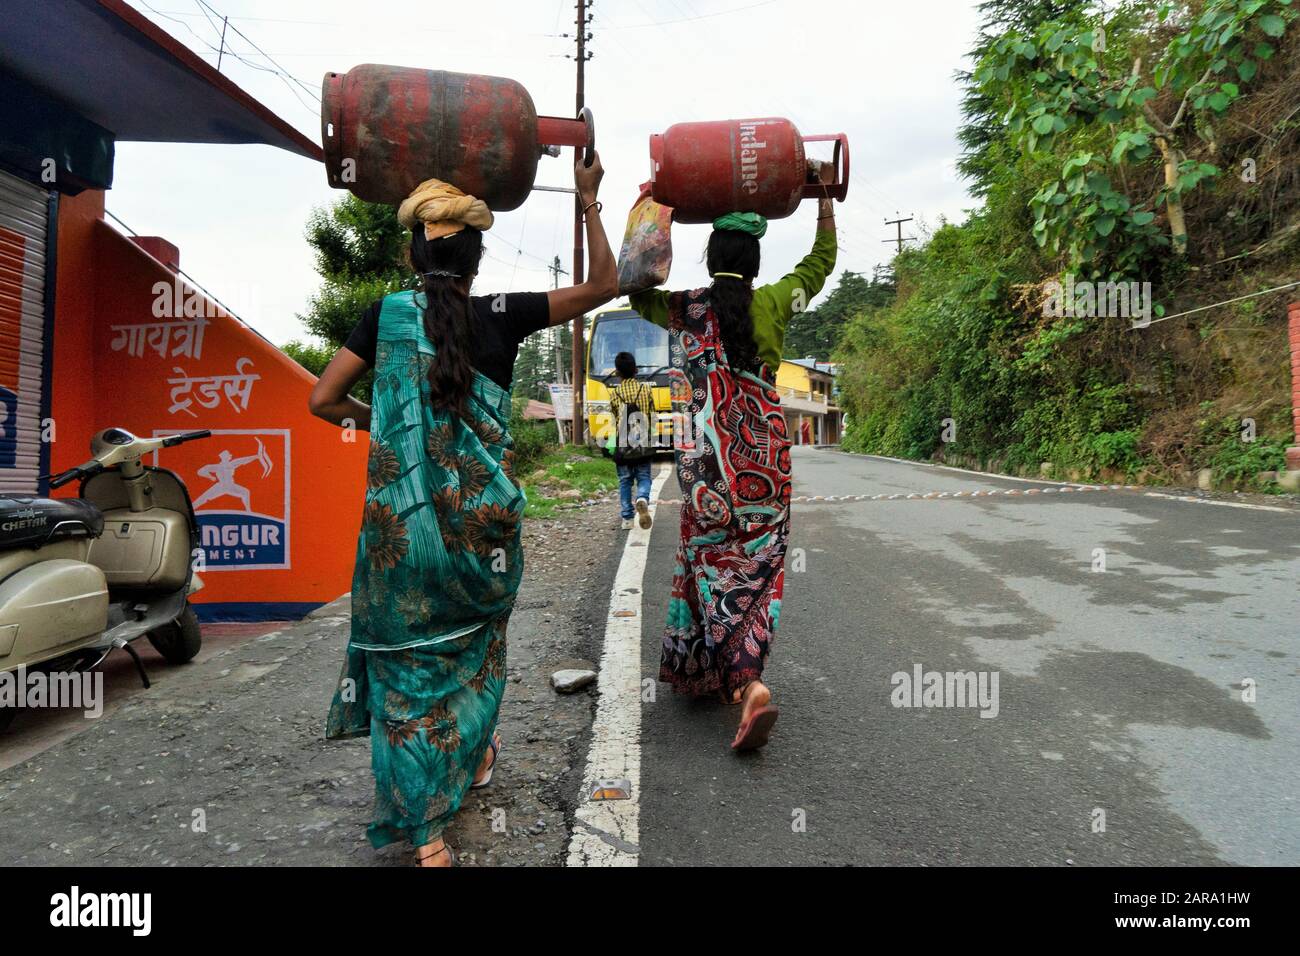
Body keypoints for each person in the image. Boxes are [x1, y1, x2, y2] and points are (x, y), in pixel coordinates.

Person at [308, 152, 618, 866]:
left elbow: (322, 401)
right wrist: (588, 198)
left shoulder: (381, 318)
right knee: (474, 656)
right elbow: (605, 284)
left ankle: (426, 834)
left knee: (406, 675)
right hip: (486, 537)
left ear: (412, 255)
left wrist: (380, 417)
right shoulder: (503, 315)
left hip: (401, 538)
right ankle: (474, 756)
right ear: (477, 259)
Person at [628, 162, 837, 752]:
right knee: (760, 569)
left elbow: (634, 286)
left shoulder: (685, 309)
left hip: (705, 464)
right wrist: (823, 203)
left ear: (710, 255)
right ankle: (715, 674)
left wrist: (652, 211)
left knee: (709, 561)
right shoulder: (773, 303)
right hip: (766, 457)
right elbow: (820, 265)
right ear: (756, 263)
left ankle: (746, 683)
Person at [607, 350, 656, 530]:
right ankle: (642, 497)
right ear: (636, 370)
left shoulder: (614, 394)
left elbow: (614, 419)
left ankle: (627, 518)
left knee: (625, 480)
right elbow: (652, 416)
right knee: (644, 476)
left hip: (623, 442)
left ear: (618, 373)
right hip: (642, 440)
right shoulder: (646, 389)